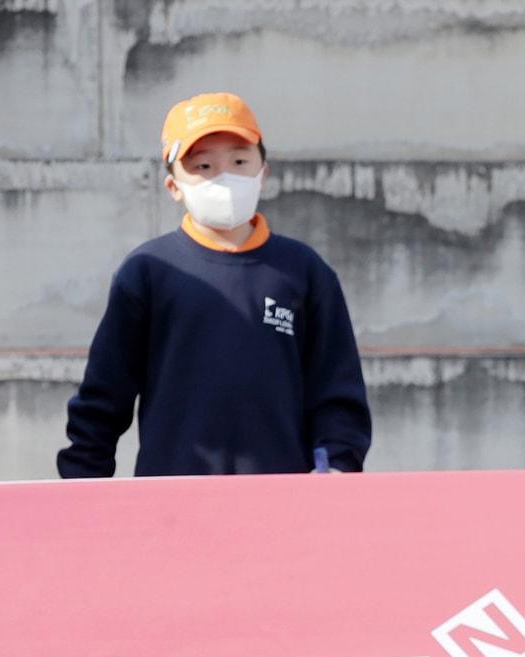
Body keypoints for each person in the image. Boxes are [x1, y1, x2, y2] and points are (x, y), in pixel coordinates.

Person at [58, 92, 371, 478]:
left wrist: (335, 466)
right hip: (171, 502)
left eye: (240, 161)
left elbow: (336, 390)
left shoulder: (303, 271)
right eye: (203, 165)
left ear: (263, 171)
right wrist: (81, 482)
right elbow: (105, 396)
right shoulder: (148, 271)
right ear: (174, 186)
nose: (224, 177)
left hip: (283, 499)